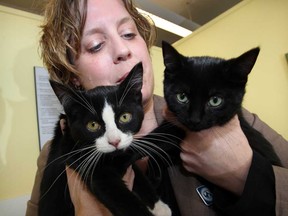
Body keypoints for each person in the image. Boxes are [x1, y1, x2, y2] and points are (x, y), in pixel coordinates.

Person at [26, 0, 288, 215]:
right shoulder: (55, 154)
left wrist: (245, 174)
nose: (123, 50)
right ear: (72, 75)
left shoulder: (235, 122)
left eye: (129, 34)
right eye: (96, 45)